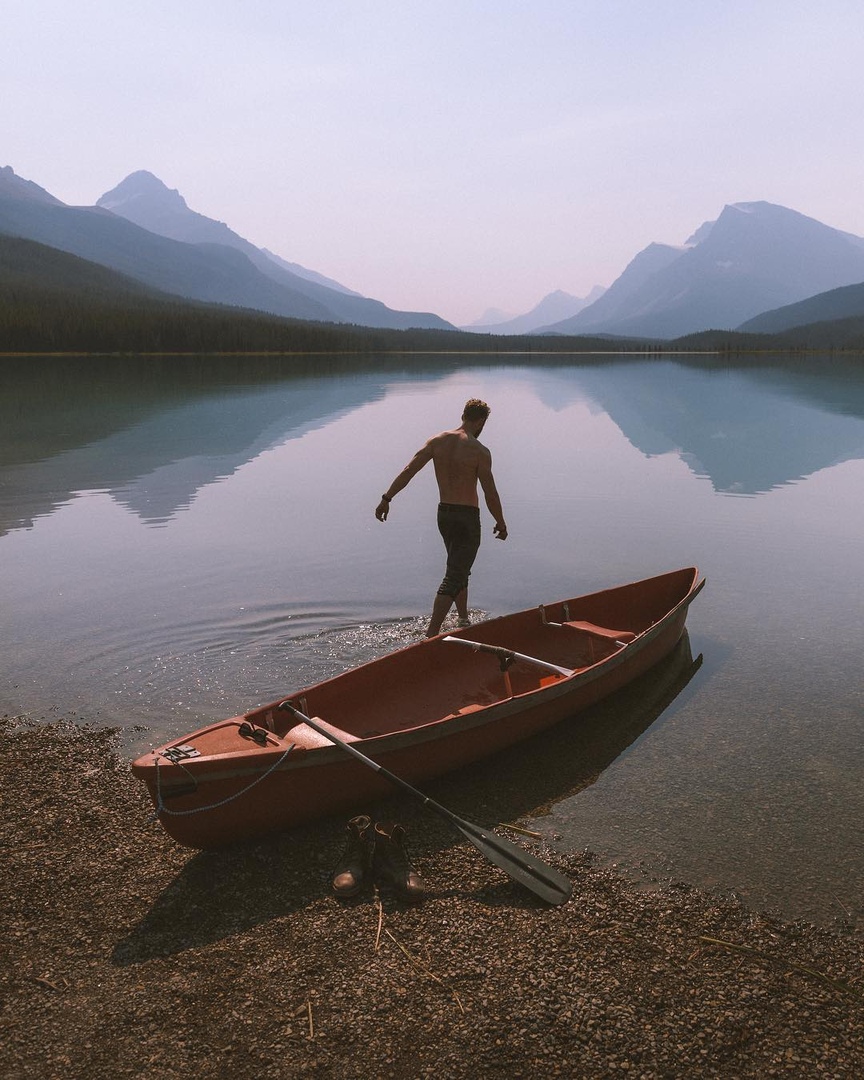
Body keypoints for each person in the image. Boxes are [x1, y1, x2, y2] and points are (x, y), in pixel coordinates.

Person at [375, 398, 507, 637]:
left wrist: (387, 498)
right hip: (467, 518)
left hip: (444, 514)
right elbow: (490, 493)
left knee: (459, 567)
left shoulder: (437, 441)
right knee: (454, 574)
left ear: (463, 415)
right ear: (481, 421)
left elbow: (409, 470)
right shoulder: (479, 451)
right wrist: (501, 521)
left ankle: (464, 618)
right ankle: (431, 635)